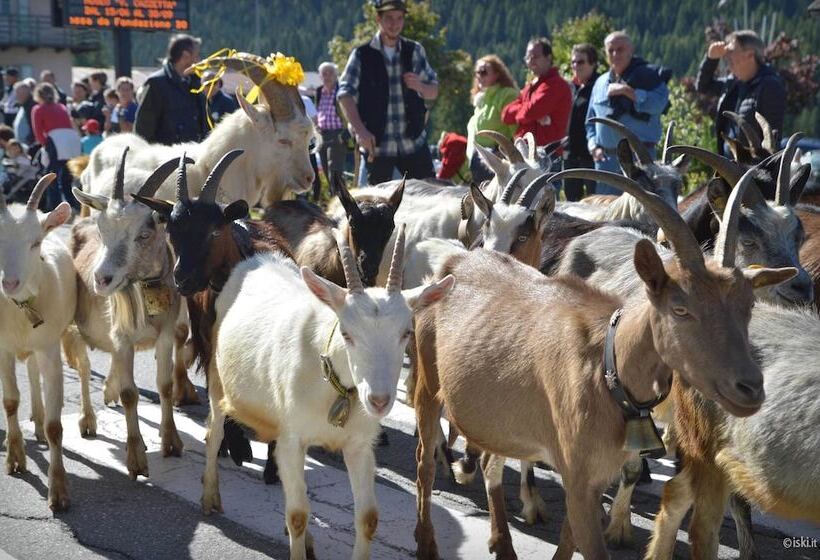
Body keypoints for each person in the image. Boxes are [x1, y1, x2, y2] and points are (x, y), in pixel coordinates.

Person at [338, 0, 439, 184]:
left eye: (399, 18)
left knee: (429, 199)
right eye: (389, 18)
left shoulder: (414, 50)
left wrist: (421, 87)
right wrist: (360, 131)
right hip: (378, 147)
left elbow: (434, 91)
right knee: (376, 207)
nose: (395, 24)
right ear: (378, 19)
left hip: (413, 144)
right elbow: (345, 94)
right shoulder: (362, 54)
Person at [586, 31, 670, 195]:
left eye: (620, 49)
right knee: (605, 215)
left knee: (640, 214)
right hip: (606, 163)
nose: (615, 54)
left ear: (631, 51)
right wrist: (593, 146)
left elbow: (659, 104)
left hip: (640, 160)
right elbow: (590, 120)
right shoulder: (600, 83)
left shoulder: (649, 77)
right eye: (611, 50)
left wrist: (629, 92)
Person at [696, 29, 785, 158]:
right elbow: (703, 87)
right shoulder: (734, 83)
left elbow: (772, 138)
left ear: (749, 55)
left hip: (751, 169)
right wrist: (711, 59)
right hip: (731, 165)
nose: (726, 55)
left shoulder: (770, 86)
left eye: (731, 50)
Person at [501, 38, 572, 156]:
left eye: (535, 57)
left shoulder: (556, 85)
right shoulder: (530, 86)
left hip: (547, 155)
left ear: (548, 58)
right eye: (528, 57)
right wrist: (528, 113)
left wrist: (525, 113)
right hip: (524, 153)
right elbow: (505, 115)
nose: (531, 61)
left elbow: (530, 111)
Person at [135, 34, 208, 145]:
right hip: (164, 158)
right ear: (185, 56)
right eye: (197, 56)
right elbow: (143, 129)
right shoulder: (156, 84)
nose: (200, 60)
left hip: (194, 155)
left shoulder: (197, 83)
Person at [466, 55, 518, 183]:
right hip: (478, 160)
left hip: (498, 161)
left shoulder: (507, 95)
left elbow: (517, 131)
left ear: (497, 74)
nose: (479, 75)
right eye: (477, 72)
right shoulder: (480, 99)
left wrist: (508, 153)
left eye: (483, 72)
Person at [31, 82, 81, 211]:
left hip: (55, 140)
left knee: (50, 177)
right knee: (67, 178)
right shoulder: (62, 107)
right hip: (71, 140)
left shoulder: (38, 109)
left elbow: (38, 131)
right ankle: (74, 205)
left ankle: (54, 208)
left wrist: (45, 146)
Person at [563, 43, 600, 201]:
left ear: (592, 63)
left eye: (581, 62)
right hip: (571, 154)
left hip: (591, 156)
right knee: (572, 202)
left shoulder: (599, 86)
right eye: (573, 62)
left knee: (596, 201)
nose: (575, 66)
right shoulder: (573, 87)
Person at [315, 61, 348, 193]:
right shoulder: (319, 92)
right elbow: (318, 112)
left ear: (336, 75)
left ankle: (338, 199)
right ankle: (341, 195)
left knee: (334, 169)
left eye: (330, 73)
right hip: (322, 134)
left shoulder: (341, 91)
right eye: (324, 73)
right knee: (325, 168)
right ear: (320, 76)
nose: (327, 76)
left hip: (338, 134)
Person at [12, 81, 36, 147]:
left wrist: (28, 141)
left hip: (30, 146)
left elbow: (34, 127)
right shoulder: (24, 105)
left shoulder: (32, 106)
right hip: (23, 145)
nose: (17, 96)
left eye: (18, 93)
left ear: (25, 93)